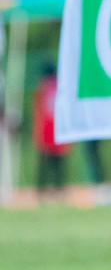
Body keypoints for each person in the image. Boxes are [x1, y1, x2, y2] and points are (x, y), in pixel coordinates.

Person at [32, 63, 68, 201]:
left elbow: (38, 110)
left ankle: (41, 190)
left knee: (44, 164)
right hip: (57, 130)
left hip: (45, 130)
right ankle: (59, 189)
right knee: (58, 164)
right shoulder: (60, 85)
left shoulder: (42, 86)